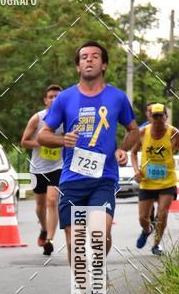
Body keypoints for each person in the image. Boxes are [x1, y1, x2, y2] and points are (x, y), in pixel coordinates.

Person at [37, 41, 139, 263]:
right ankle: (84, 290)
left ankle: (98, 271)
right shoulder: (64, 98)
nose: (89, 60)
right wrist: (62, 139)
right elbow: (43, 135)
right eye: (84, 57)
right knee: (75, 244)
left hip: (104, 178)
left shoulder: (117, 97)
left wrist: (123, 149)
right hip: (72, 180)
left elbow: (133, 130)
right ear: (78, 66)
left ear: (104, 65)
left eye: (94, 56)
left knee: (99, 236)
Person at [20, 84, 63, 256]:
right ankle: (44, 229)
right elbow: (24, 141)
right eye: (51, 96)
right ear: (45, 100)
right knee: (40, 205)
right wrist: (43, 141)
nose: (53, 99)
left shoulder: (66, 119)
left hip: (58, 167)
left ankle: (49, 240)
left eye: (57, 97)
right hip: (38, 168)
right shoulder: (37, 118)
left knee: (52, 201)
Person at [132, 103, 179, 256]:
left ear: (166, 116)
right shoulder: (142, 132)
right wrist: (136, 170)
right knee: (142, 217)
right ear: (149, 117)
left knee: (163, 213)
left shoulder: (173, 133)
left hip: (167, 180)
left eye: (161, 116)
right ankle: (147, 230)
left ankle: (156, 244)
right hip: (147, 181)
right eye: (155, 116)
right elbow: (133, 153)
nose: (158, 119)